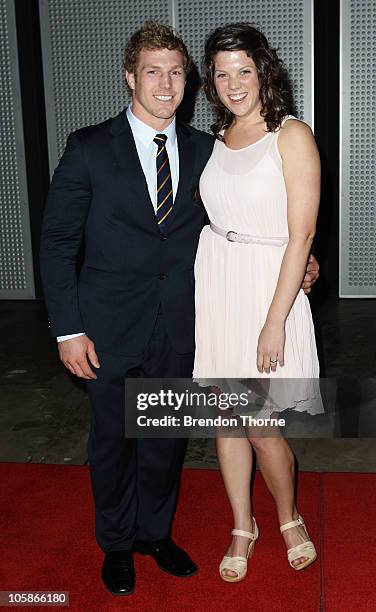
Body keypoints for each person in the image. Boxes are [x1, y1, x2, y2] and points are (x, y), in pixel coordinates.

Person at [40, 22, 319, 596]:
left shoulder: (204, 149)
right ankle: (117, 545)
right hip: (109, 327)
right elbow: (58, 242)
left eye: (175, 72)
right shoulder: (90, 147)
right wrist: (68, 328)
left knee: (165, 441)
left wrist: (304, 266)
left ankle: (154, 534)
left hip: (189, 322)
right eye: (152, 71)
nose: (165, 84)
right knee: (115, 440)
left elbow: (248, 217)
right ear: (130, 77)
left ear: (187, 82)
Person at [193, 23, 322, 582]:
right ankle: (243, 525)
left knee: (261, 423)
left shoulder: (291, 135)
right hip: (218, 285)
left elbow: (301, 237)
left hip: (267, 294)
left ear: (263, 70)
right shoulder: (216, 137)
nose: (233, 82)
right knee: (227, 419)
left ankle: (289, 517)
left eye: (243, 69)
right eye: (222, 73)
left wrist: (277, 322)